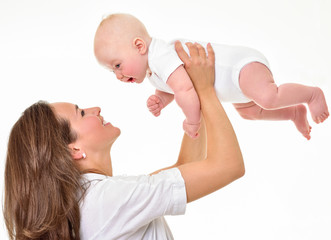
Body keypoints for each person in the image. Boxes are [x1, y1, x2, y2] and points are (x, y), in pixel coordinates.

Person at [4, 42, 245, 239]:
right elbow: (228, 165)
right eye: (81, 113)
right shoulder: (107, 200)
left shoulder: (90, 202)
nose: (95, 108)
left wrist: (191, 101)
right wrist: (204, 88)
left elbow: (183, 169)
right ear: (74, 149)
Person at [93, 13, 329, 140]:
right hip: (236, 87)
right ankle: (293, 111)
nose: (118, 75)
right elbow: (172, 88)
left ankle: (311, 94)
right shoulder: (152, 69)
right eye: (112, 70)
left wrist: (193, 121)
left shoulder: (162, 56)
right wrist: (161, 100)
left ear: (139, 46)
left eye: (117, 65)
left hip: (240, 68)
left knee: (268, 97)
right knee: (250, 112)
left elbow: (185, 90)